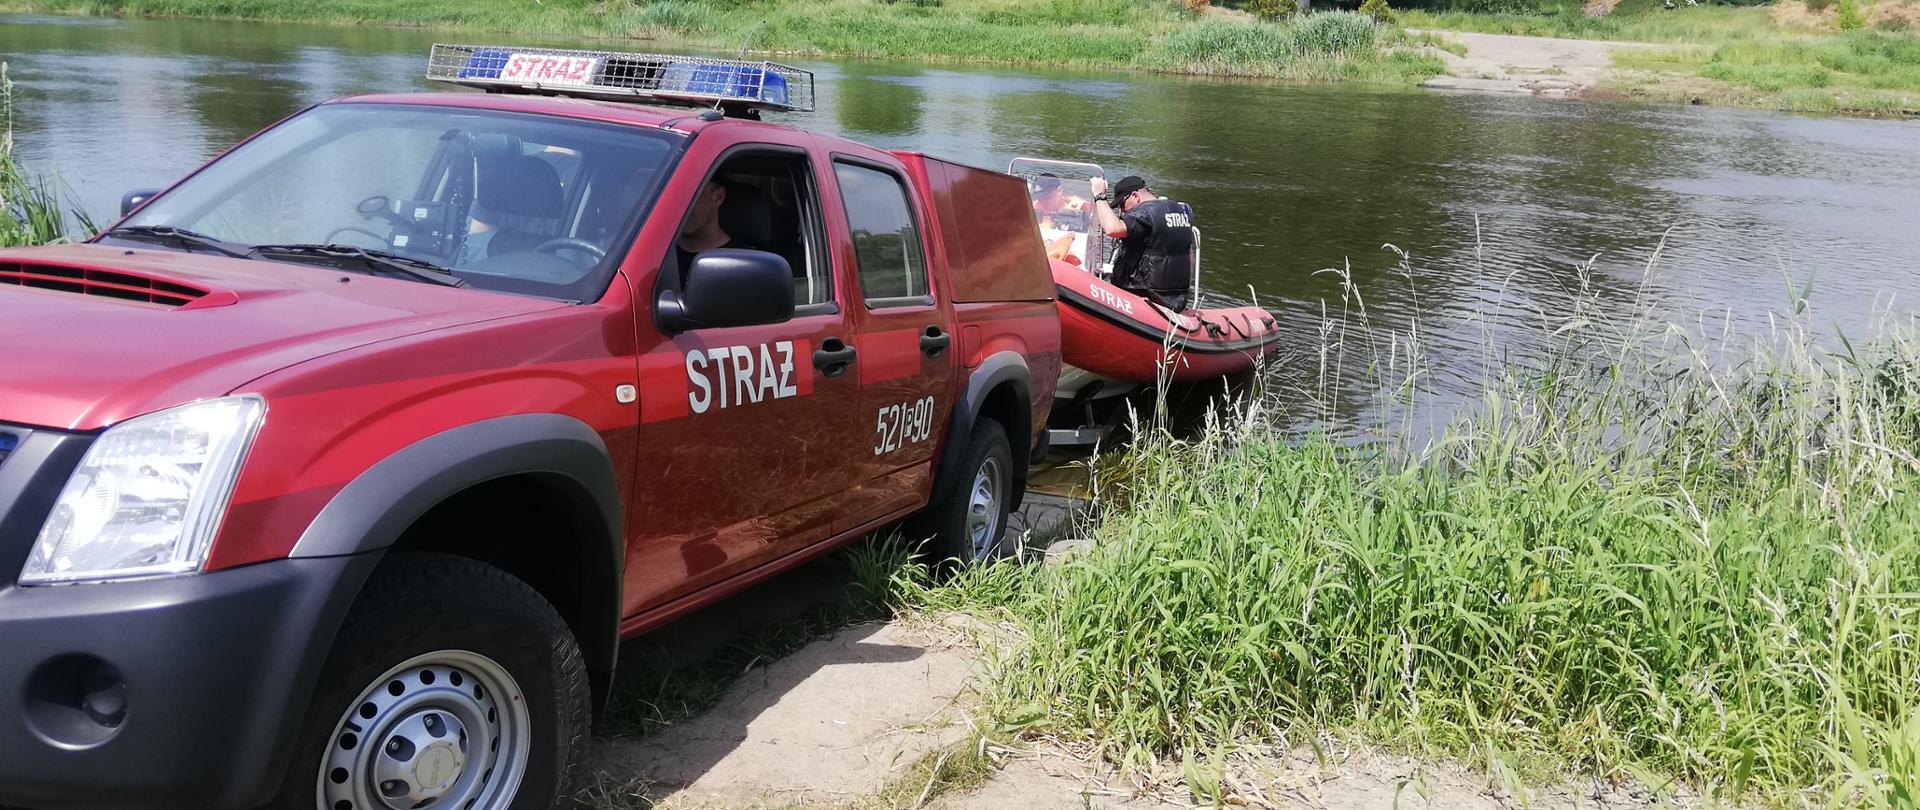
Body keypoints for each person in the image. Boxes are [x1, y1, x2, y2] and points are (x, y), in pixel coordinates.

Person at [1089, 174, 1194, 311]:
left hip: (1143, 295)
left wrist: (1099, 196)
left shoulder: (1146, 213)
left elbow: (1112, 229)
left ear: (1135, 196)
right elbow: (1190, 257)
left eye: (1122, 204)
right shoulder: (1178, 210)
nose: (1123, 211)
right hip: (1174, 298)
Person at [676, 179, 737, 272]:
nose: (677, 206)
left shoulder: (742, 265)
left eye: (686, 195)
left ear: (718, 197)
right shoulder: (655, 254)